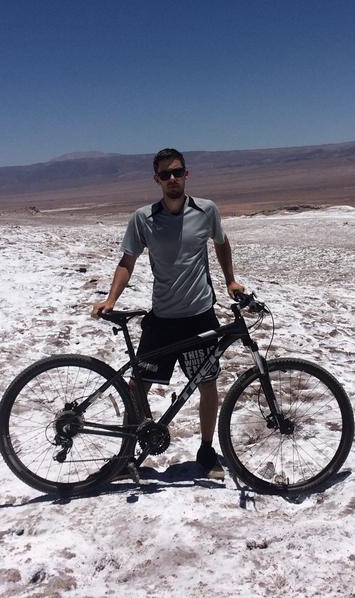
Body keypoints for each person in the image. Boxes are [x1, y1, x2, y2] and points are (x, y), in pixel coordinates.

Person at [92, 148, 243, 479]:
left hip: (200, 315)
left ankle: (206, 452)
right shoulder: (143, 218)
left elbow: (221, 242)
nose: (172, 179)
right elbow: (127, 261)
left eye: (177, 172)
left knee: (206, 385)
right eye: (165, 174)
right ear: (156, 179)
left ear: (187, 174)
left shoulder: (206, 210)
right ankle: (126, 457)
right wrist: (111, 299)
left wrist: (230, 280)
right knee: (138, 387)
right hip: (162, 318)